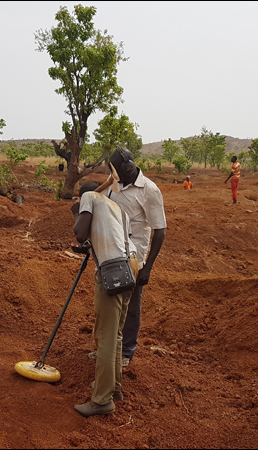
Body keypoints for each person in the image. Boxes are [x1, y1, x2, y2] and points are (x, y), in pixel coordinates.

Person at [94, 146, 167, 367]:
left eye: (115, 170)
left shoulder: (149, 190)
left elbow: (160, 230)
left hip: (134, 259)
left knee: (131, 307)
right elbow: (97, 202)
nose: (112, 174)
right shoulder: (114, 183)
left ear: (127, 169)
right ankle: (107, 350)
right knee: (109, 306)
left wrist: (148, 268)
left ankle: (126, 352)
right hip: (109, 255)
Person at [71, 181, 138, 417]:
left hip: (112, 271)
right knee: (117, 334)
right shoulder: (118, 209)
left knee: (106, 336)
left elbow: (79, 234)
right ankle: (115, 388)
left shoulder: (89, 196)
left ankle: (101, 400)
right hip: (131, 266)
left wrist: (78, 211)